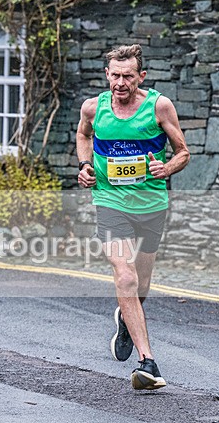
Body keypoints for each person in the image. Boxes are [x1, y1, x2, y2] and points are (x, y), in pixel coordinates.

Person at [76, 43, 190, 390]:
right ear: (106, 75)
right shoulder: (94, 108)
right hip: (110, 202)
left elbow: (183, 152)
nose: (120, 83)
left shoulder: (159, 106)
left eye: (128, 76)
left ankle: (127, 317)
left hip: (151, 206)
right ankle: (148, 362)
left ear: (141, 76)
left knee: (140, 287)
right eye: (115, 75)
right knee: (124, 277)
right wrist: (84, 165)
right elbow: (83, 135)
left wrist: (165, 168)